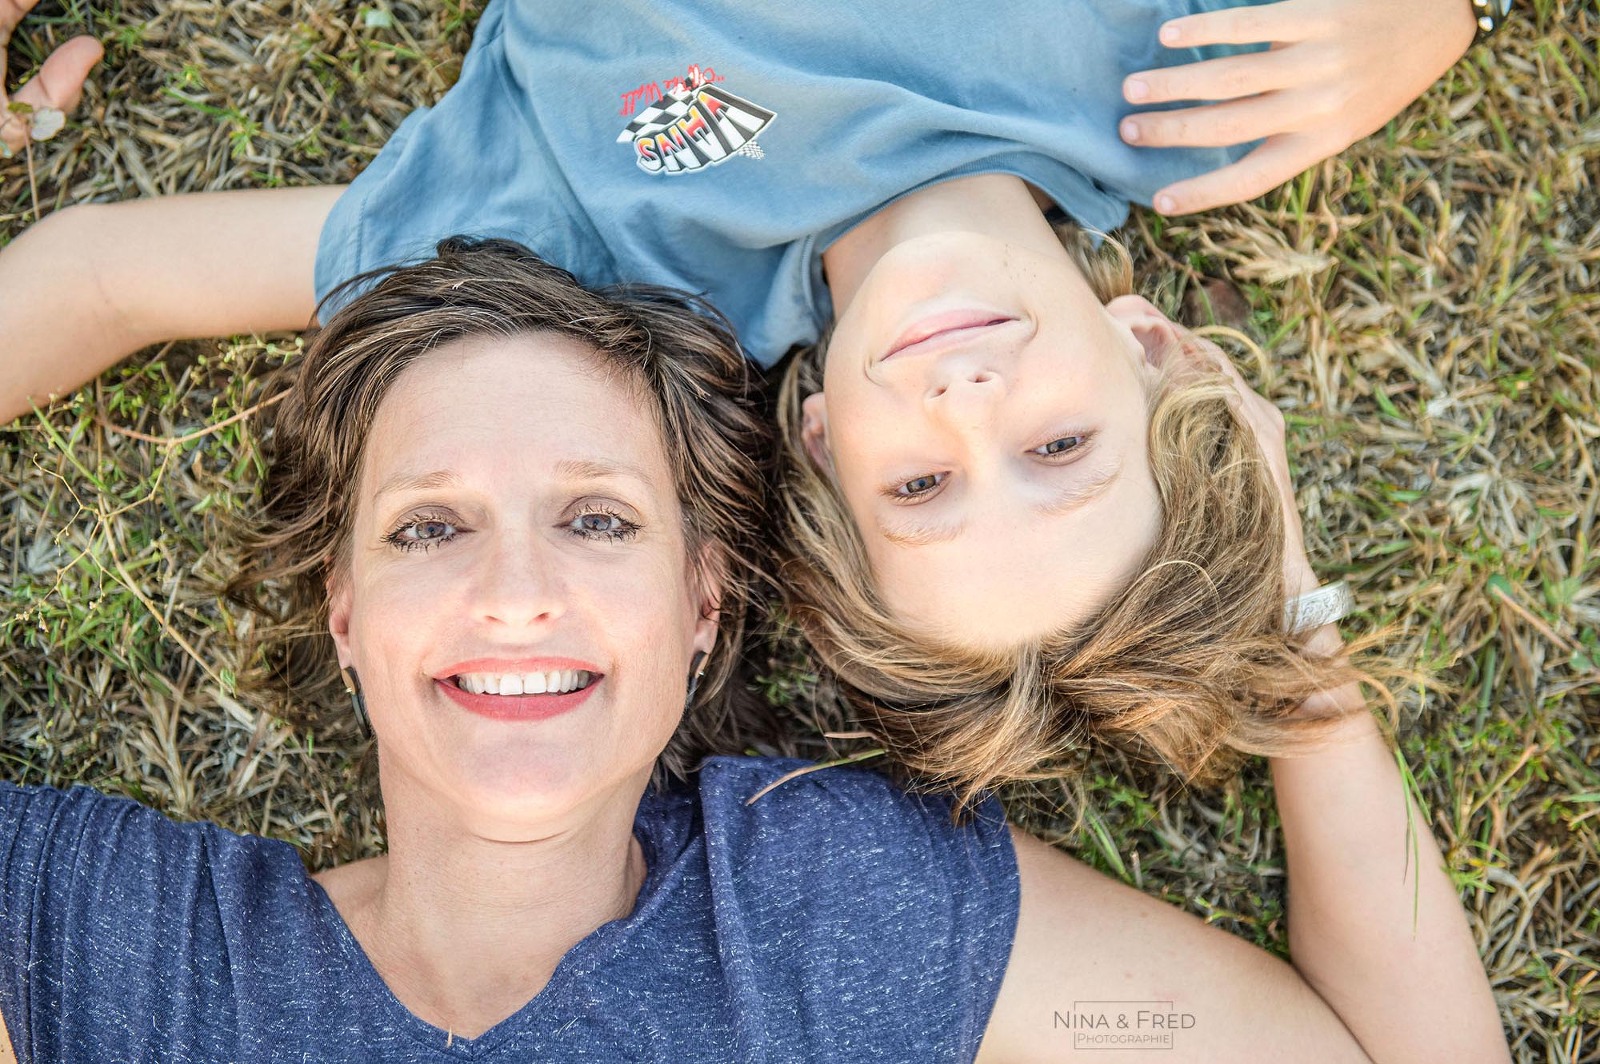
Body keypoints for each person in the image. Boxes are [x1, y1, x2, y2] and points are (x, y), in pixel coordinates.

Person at [0, 238, 1508, 1062]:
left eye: (596, 522)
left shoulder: (827, 911)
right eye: (428, 530)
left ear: (706, 604)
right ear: (344, 613)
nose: (516, 593)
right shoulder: (120, 952)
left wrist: (1281, 615)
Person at [0, 0, 1488, 785]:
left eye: (921, 486)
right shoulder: (1209, 89)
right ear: (1155, 350)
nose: (967, 398)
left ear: (827, 444)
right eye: (1056, 445)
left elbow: (104, 284)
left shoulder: (594, 257)